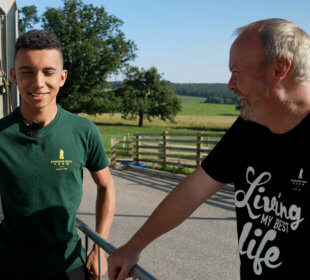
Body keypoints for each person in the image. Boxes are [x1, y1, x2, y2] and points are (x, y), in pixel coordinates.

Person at [107, 18, 310, 279]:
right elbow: (193, 191)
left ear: (279, 68)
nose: (229, 85)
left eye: (236, 72)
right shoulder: (249, 127)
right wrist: (134, 246)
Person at [0, 30, 115, 280]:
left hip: (69, 264)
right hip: (10, 265)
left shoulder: (83, 131)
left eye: (48, 72)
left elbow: (106, 187)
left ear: (62, 77)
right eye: (27, 72)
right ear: (14, 77)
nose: (39, 82)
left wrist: (100, 247)